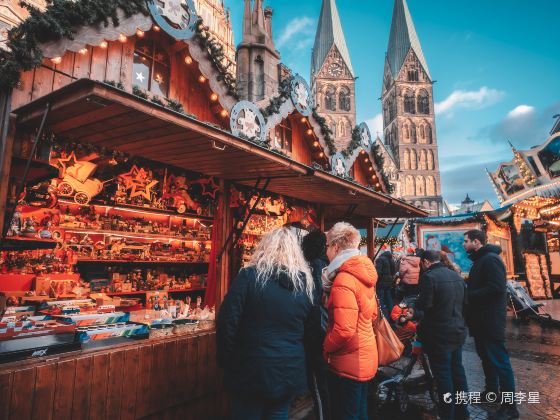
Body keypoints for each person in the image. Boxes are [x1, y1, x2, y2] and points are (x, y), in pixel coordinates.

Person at [216, 227, 319, 420]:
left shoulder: (249, 277)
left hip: (251, 367)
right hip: (288, 368)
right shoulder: (305, 285)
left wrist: (227, 359)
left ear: (265, 248)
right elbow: (311, 330)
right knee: (278, 414)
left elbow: (226, 322)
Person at [323, 222, 378, 420]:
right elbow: (372, 316)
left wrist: (326, 347)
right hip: (365, 354)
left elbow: (344, 329)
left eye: (328, 246)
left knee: (345, 413)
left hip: (348, 361)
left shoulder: (344, 279)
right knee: (359, 411)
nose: (327, 251)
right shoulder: (363, 273)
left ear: (336, 247)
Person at [463, 230, 518, 420]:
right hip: (481, 320)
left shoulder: (490, 260)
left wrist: (469, 296)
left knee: (500, 361)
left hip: (490, 320)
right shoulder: (481, 260)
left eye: (466, 241)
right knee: (487, 358)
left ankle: (510, 406)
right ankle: (491, 392)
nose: (464, 244)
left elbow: (496, 288)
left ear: (476, 242)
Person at [413, 250, 469, 420]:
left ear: (426, 262)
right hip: (457, 332)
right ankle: (462, 413)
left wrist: (415, 307)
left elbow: (425, 305)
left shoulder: (429, 277)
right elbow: (465, 304)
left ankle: (447, 414)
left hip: (439, 335)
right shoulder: (455, 275)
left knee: (443, 377)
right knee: (458, 373)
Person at [301, 230, 330, 420]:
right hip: (325, 331)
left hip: (314, 333)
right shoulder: (327, 266)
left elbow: (312, 301)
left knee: (318, 386)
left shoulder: (312, 267)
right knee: (324, 384)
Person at [375, 250, 396, 319]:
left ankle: (382, 317)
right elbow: (394, 271)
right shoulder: (390, 259)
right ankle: (393, 316)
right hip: (389, 283)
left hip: (381, 283)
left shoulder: (380, 260)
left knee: (380, 300)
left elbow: (378, 272)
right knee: (389, 299)